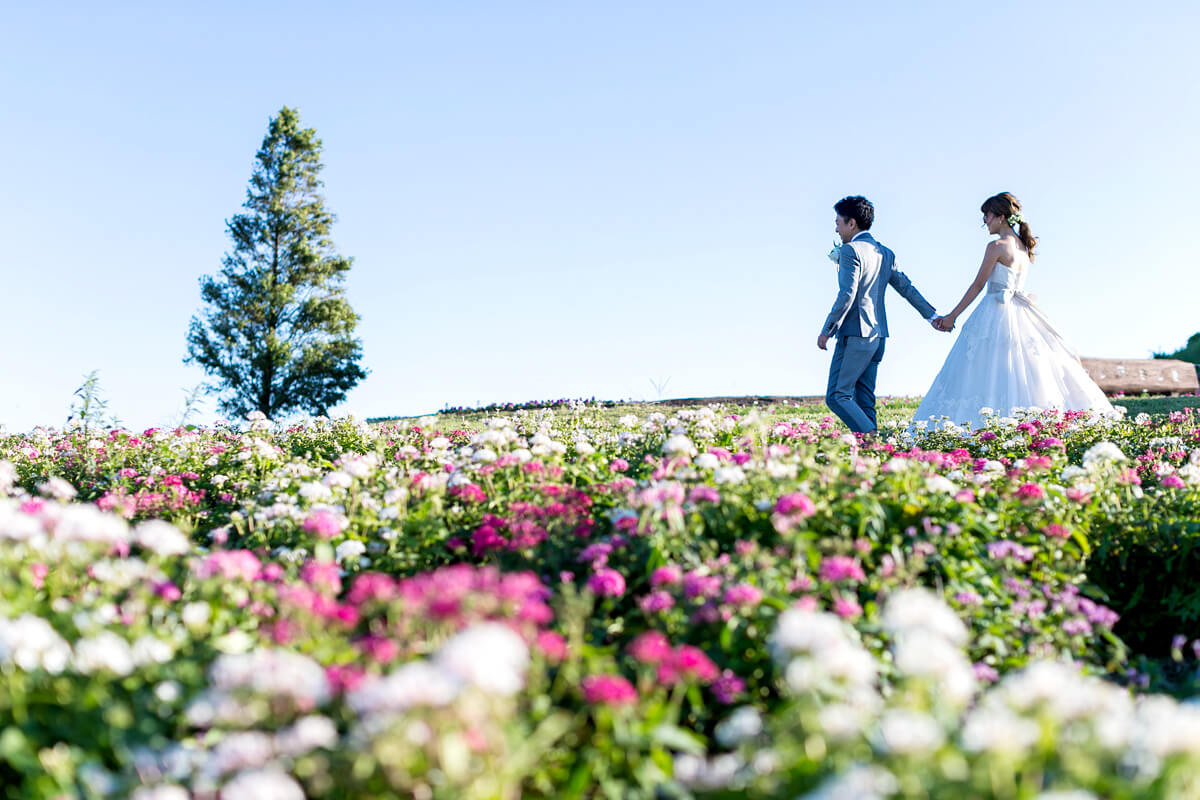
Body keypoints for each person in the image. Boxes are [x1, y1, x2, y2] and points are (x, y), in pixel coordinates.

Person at [915, 192, 1115, 429]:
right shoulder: (1023, 247)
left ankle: (982, 423)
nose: (985, 222)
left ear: (1000, 216)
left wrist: (952, 317)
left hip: (995, 310)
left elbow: (978, 285)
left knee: (985, 368)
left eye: (987, 216)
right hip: (1020, 311)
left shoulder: (996, 247)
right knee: (1019, 368)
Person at [819, 195, 944, 435]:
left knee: (837, 396)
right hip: (878, 338)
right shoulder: (885, 253)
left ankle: (873, 438)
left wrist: (827, 329)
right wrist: (931, 316)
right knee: (865, 399)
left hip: (855, 334)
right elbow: (906, 288)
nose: (836, 228)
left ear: (852, 223)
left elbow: (847, 294)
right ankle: (874, 456)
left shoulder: (850, 250)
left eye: (838, 222)